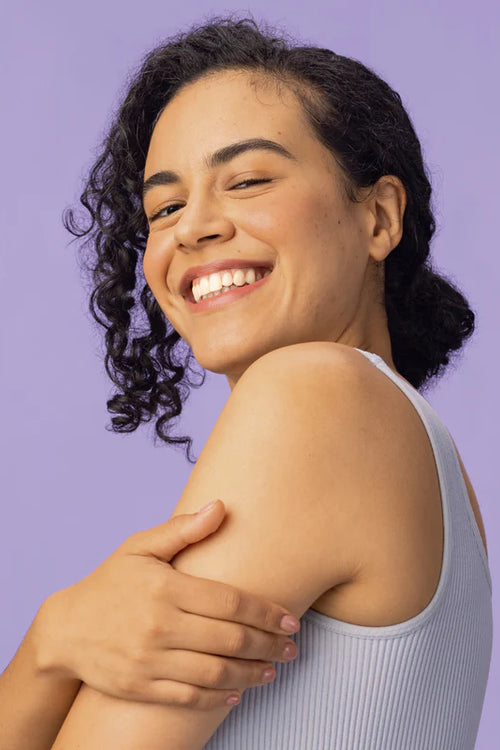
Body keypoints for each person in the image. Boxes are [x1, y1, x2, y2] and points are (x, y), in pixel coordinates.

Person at [2, 12, 492, 750]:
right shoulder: (409, 442)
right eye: (165, 207)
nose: (192, 227)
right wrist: (51, 646)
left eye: (249, 180)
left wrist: (46, 652)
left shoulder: (317, 395)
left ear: (379, 218)